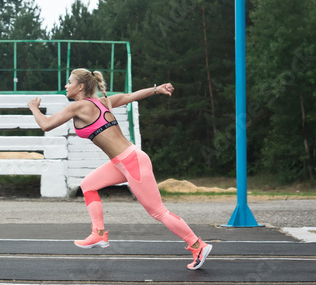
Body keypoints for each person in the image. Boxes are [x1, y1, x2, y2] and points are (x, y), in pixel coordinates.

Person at [27, 68, 212, 270]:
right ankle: (98, 233)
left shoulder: (79, 106)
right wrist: (156, 89)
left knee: (158, 211)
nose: (66, 85)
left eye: (69, 82)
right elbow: (130, 96)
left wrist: (33, 108)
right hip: (122, 161)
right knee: (88, 185)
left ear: (80, 87)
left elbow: (46, 125)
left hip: (131, 161)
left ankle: (197, 245)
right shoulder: (101, 103)